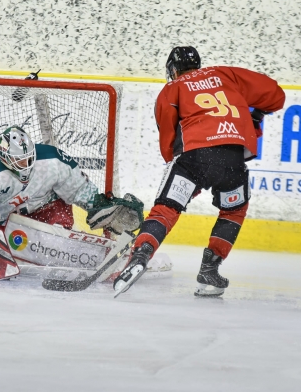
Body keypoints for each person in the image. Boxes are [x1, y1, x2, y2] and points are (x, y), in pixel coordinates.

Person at [113, 46, 285, 297]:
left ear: (172, 69)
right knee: (234, 210)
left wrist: (184, 182)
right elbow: (275, 95)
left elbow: (168, 140)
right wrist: (256, 115)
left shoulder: (172, 89)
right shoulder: (226, 75)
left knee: (166, 210)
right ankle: (210, 271)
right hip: (233, 157)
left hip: (193, 158)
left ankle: (140, 255)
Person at [0, 126, 144, 280]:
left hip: (47, 211)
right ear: (4, 158)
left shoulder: (53, 160)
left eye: (28, 157)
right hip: (9, 222)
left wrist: (96, 204)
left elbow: (78, 188)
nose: (25, 163)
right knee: (4, 245)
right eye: (19, 160)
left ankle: (100, 255)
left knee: (56, 243)